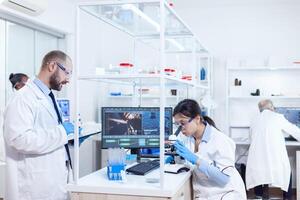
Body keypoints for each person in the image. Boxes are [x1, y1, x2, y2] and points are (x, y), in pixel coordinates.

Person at [3, 50, 74, 200]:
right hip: (32, 188)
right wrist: (62, 133)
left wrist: (70, 139)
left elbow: (48, 134)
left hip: (52, 183)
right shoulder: (23, 98)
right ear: (53, 66)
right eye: (67, 72)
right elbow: (18, 139)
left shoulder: (48, 96)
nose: (68, 79)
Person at [172, 99, 247, 199]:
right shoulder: (187, 138)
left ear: (197, 119)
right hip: (205, 194)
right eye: (177, 124)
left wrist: (197, 160)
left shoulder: (220, 140)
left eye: (183, 123)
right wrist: (173, 156)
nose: (180, 129)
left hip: (227, 194)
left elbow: (224, 179)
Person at [246, 99, 300, 200]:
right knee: (287, 171)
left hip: (258, 160)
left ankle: (259, 195)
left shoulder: (254, 119)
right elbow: (294, 130)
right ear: (272, 108)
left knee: (259, 171)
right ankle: (287, 197)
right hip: (275, 159)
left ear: (260, 109)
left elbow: (251, 138)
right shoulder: (278, 117)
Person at [0, 73, 29, 162]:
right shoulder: (16, 101)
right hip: (14, 155)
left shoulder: (21, 100)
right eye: (27, 83)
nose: (30, 86)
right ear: (18, 85)